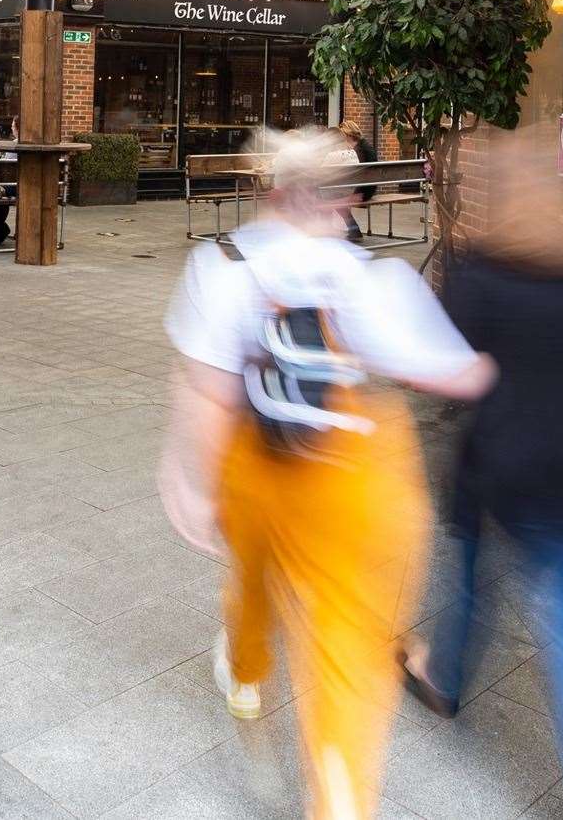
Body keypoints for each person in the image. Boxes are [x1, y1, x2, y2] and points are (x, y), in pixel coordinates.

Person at [159, 128, 494, 820]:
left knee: (250, 577)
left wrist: (190, 482)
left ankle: (247, 675)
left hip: (258, 462)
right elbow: (451, 372)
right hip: (357, 473)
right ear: (347, 197)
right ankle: (338, 797)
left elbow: (208, 391)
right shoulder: (377, 276)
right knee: (349, 647)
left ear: (273, 190)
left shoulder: (220, 265)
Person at [400, 125, 563, 820]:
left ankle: (443, 677)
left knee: (475, 573)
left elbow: (449, 363)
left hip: (494, 462)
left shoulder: (480, 270)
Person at [337, 120, 377, 241]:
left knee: (335, 200)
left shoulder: (359, 150)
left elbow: (359, 173)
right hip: (369, 187)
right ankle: (353, 230)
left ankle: (354, 231)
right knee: (334, 197)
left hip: (363, 191)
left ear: (348, 134)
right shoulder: (364, 146)